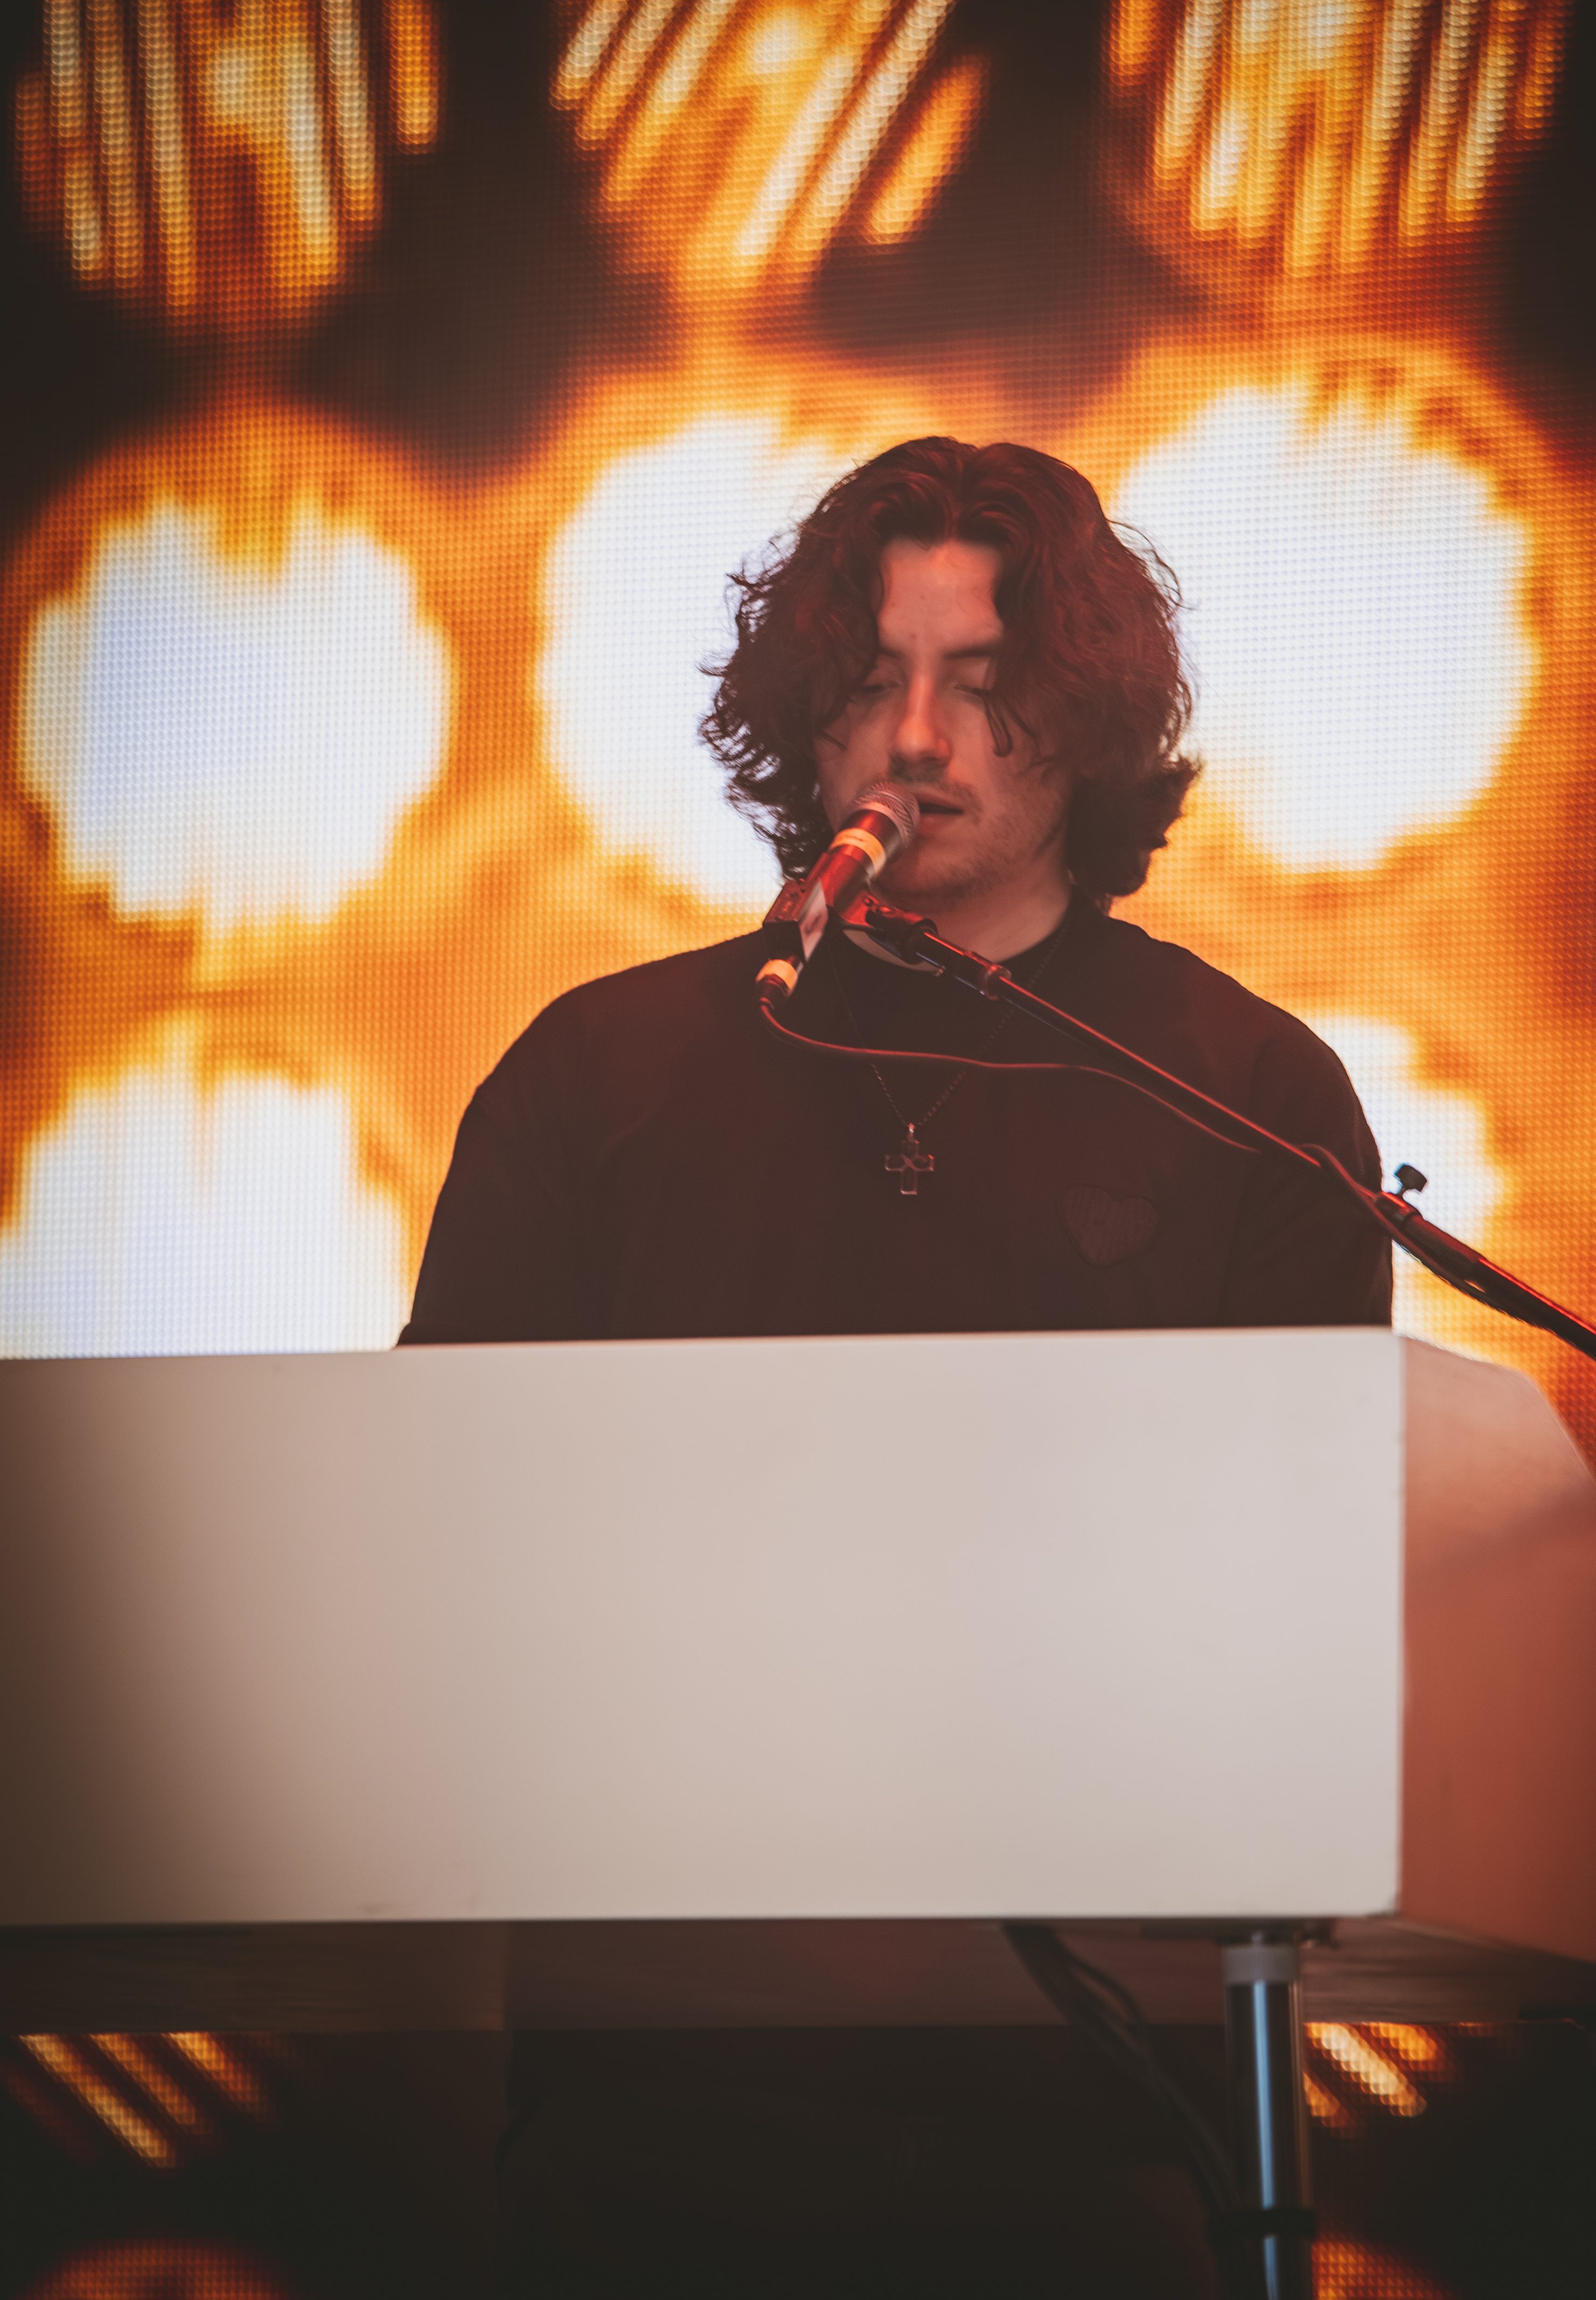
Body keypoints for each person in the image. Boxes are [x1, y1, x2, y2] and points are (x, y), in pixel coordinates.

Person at [402, 438, 1390, 2297]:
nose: (914, 740)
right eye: (870, 679)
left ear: (1084, 723)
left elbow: (1297, 1602)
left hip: (1110, 2113)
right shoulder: (599, 1071)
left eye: (985, 683)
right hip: (666, 2105)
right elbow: (440, 1533)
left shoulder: (1252, 1090)